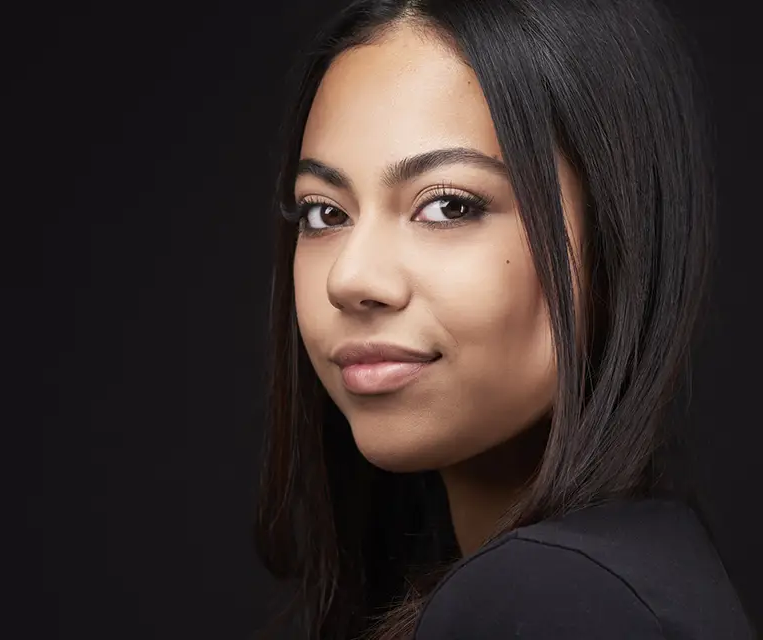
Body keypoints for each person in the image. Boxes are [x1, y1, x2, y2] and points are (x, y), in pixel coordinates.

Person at [254, 0, 756, 638]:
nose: (349, 279)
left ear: (617, 236)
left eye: (449, 206)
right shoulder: (630, 576)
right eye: (324, 213)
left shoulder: (548, 600)